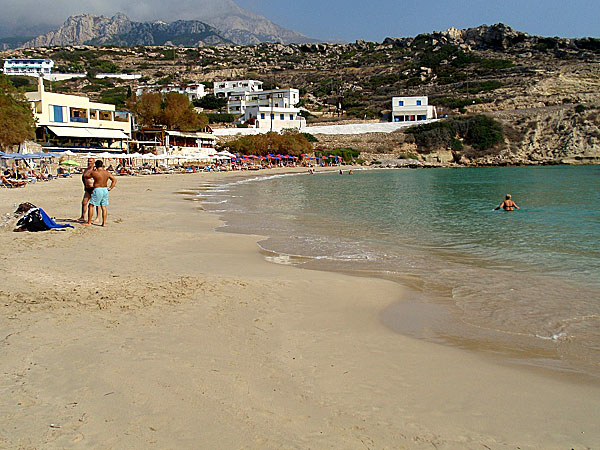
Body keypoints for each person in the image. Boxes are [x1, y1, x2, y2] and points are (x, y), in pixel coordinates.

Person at [86, 160, 117, 227]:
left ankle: (89, 222)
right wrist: (110, 187)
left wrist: (92, 169)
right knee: (104, 206)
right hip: (105, 189)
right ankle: (104, 223)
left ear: (96, 165)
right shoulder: (107, 173)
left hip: (98, 189)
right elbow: (114, 180)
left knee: (91, 205)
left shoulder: (95, 172)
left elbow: (86, 176)